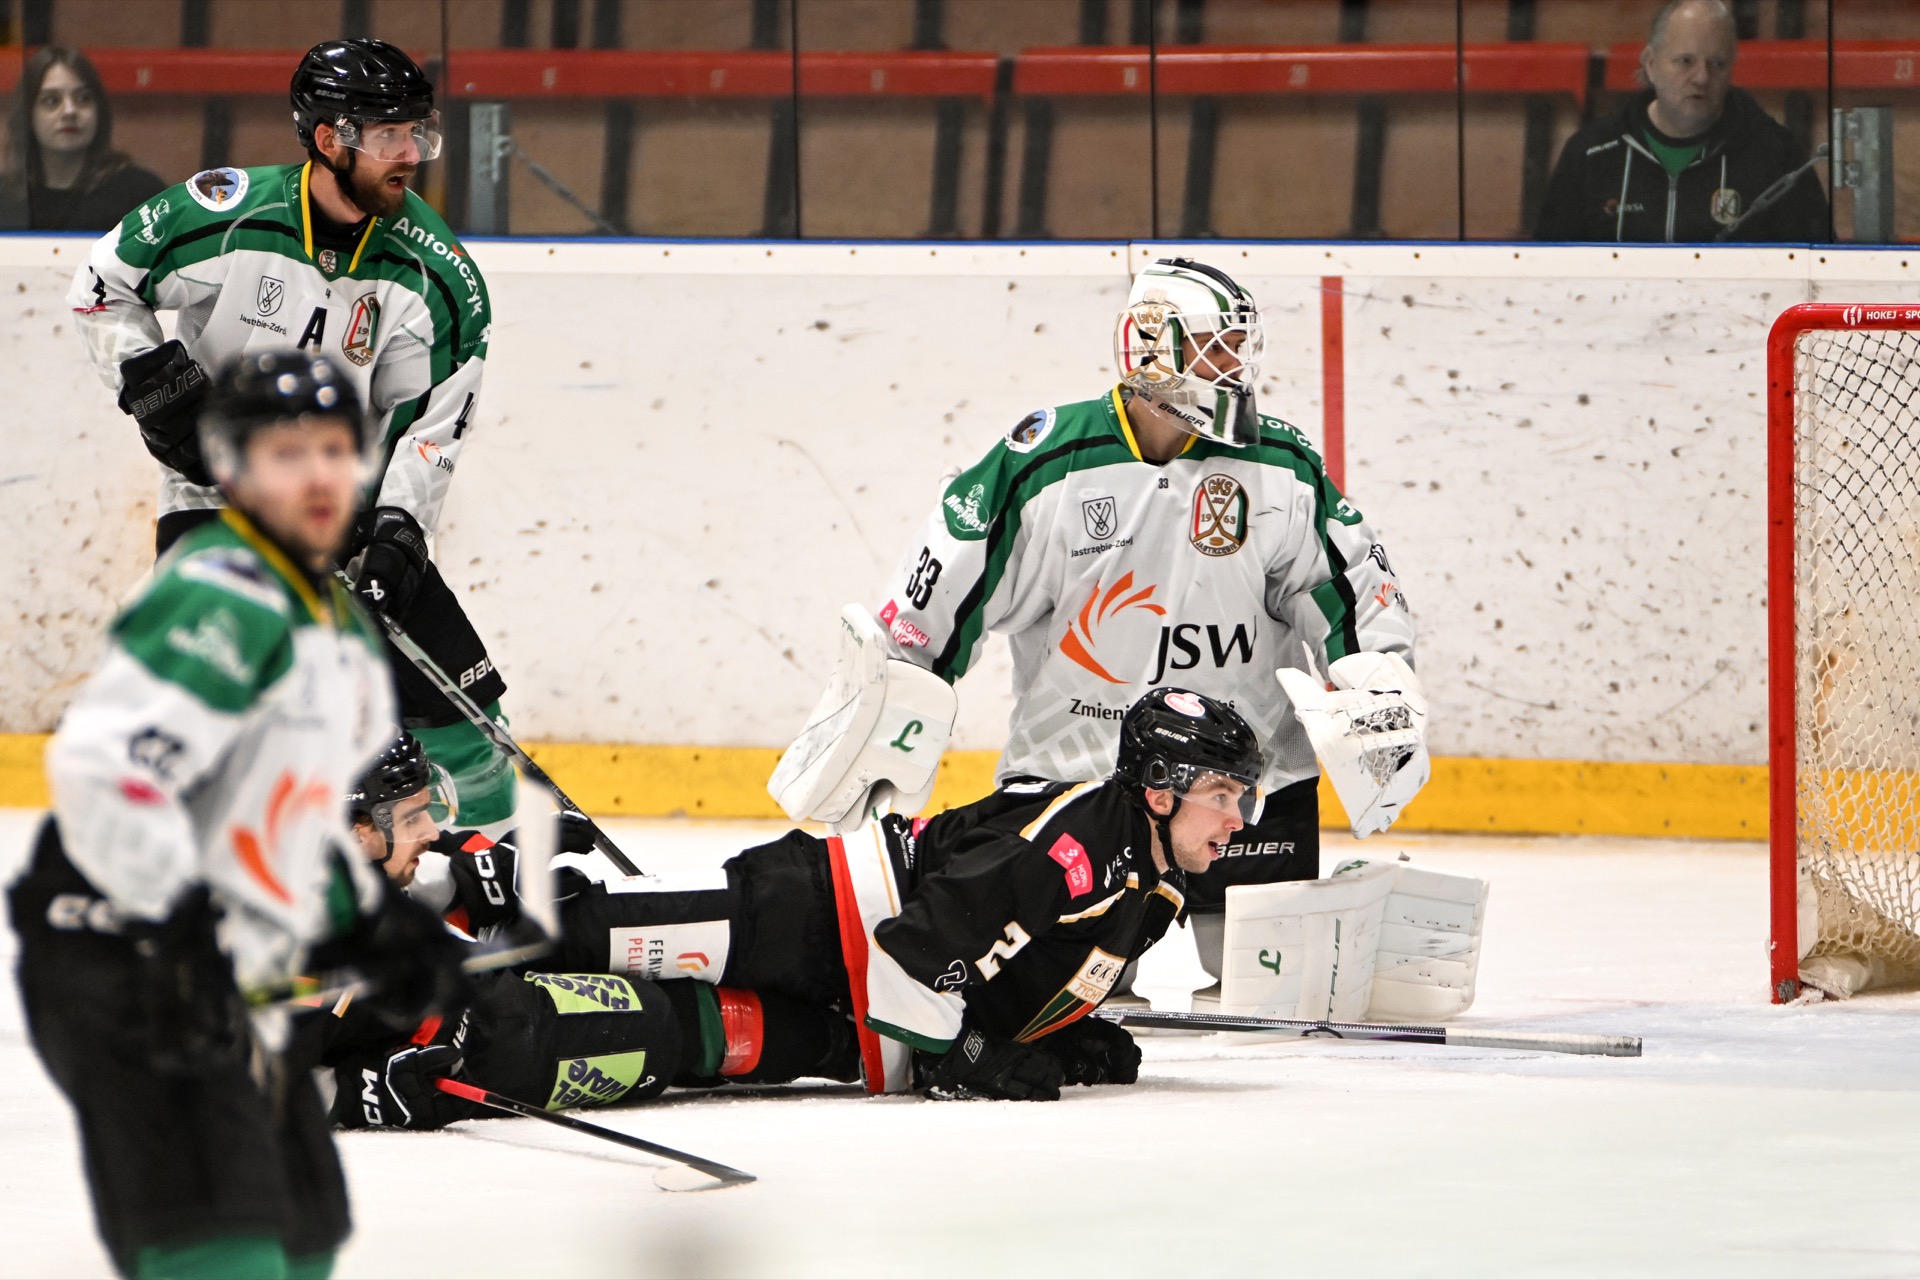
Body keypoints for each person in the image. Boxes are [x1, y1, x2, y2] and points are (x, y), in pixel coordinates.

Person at [771, 257, 1423, 1006]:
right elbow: (939, 599)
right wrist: (886, 711)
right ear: (1151, 345)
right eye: (1214, 346)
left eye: (1241, 347)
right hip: (1084, 780)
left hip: (1246, 786)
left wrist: (1375, 681)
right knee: (1080, 1000)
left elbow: (1349, 584)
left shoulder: (1279, 465)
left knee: (1269, 995)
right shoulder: (1045, 463)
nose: (1235, 367)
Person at [6, 351, 468, 1280]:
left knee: (303, 1234)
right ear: (231, 469)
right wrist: (174, 921)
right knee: (226, 1250)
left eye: (335, 451)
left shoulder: (333, 627)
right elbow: (106, 775)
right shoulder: (223, 593)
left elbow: (278, 815)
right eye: (287, 454)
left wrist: (366, 920)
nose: (319, 476)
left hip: (217, 963)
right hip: (125, 961)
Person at [63, 37, 516, 829]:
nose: (412, 154)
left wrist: (397, 533)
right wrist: (157, 389)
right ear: (330, 139)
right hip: (216, 499)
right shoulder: (227, 214)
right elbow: (104, 285)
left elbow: (429, 428)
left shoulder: (438, 276)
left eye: (418, 132)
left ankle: (470, 872)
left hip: (344, 512)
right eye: (390, 136)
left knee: (478, 747)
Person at [558, 687, 1262, 1101]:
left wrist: (1052, 1032)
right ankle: (493, 906)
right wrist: (966, 1057)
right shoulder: (1070, 849)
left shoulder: (1159, 882)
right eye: (1222, 795)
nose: (1238, 819)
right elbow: (920, 948)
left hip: (864, 1030)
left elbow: (1022, 961)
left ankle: (510, 1029)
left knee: (669, 1031)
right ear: (1160, 791)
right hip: (823, 911)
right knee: (580, 930)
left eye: (1241, 796)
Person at [306, 733, 860, 1134]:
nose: (430, 830)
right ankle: (851, 1045)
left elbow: (421, 877)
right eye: (411, 819)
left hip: (455, 967)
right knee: (659, 1024)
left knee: (603, 919)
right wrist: (357, 1093)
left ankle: (837, 916)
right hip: (461, 1035)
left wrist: (489, 873)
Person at [1533, 0, 1829, 243]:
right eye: (1685, 61)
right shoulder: (1591, 154)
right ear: (1651, 64)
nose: (1702, 77)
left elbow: (1816, 269)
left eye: (1717, 64)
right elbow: (1546, 271)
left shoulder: (1776, 156)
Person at [0, 47, 164, 231]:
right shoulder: (5, 198)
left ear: (99, 112)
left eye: (83, 98)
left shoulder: (142, 196)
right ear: (28, 115)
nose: (70, 111)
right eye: (51, 101)